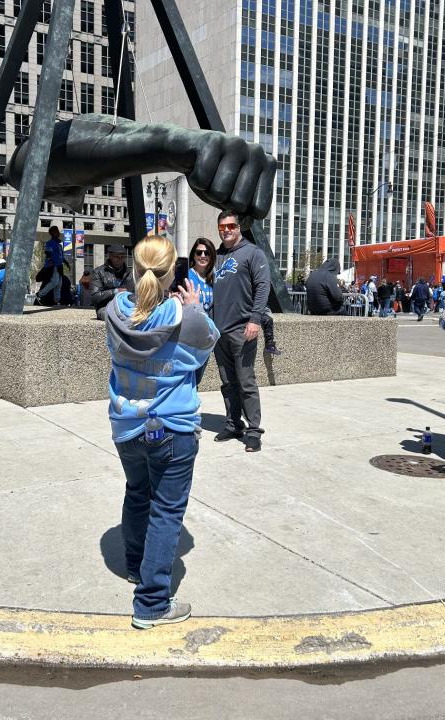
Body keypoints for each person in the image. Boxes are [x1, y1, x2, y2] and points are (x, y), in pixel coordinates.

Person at [105, 235, 219, 629]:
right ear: (173, 273)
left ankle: (137, 564)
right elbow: (205, 351)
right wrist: (197, 309)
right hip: (173, 427)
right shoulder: (184, 315)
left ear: (134, 270)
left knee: (138, 493)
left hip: (126, 424)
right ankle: (152, 602)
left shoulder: (114, 310)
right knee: (166, 511)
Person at [211, 210, 269, 452]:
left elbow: (263, 286)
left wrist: (255, 320)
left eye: (231, 226)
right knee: (227, 382)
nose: (226, 230)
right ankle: (234, 423)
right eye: (222, 227)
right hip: (218, 331)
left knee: (246, 381)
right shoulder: (217, 255)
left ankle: (254, 430)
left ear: (238, 228)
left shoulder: (253, 253)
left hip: (242, 329)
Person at [91, 245, 134, 320]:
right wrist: (115, 291)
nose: (120, 259)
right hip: (105, 307)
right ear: (110, 256)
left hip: (126, 306)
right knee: (116, 317)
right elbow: (95, 297)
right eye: (117, 257)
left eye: (122, 257)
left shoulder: (130, 273)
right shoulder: (98, 272)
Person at [187, 237, 216, 315]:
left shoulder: (215, 276)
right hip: (192, 323)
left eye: (207, 253)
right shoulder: (187, 276)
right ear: (194, 255)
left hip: (211, 325)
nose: (203, 256)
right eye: (199, 252)